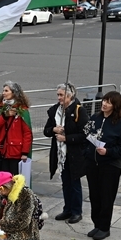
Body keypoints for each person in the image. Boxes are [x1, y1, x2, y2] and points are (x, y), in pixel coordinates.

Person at [83, 90, 121, 240]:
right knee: (94, 196)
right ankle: (97, 224)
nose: (104, 104)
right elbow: (86, 134)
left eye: (109, 102)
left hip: (110, 166)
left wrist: (108, 152)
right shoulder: (95, 118)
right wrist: (87, 152)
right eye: (104, 100)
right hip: (93, 164)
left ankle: (104, 227)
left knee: (106, 197)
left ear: (115, 105)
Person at [43, 82, 87, 221]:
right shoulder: (54, 111)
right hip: (60, 154)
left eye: (61, 95)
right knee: (65, 183)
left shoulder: (79, 111)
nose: (59, 98)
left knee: (75, 183)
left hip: (74, 154)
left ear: (69, 96)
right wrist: (53, 129)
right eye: (58, 95)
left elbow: (85, 134)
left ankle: (76, 211)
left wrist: (66, 138)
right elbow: (46, 131)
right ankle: (67, 209)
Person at [0, 82, 32, 197]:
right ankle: (1, 204)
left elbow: (27, 133)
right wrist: (5, 116)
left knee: (14, 185)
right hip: (1, 152)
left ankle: (14, 205)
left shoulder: (22, 110)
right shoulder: (1, 108)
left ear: (14, 93)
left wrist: (25, 152)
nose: (3, 93)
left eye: (6, 91)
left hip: (15, 154)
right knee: (1, 184)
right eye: (3, 91)